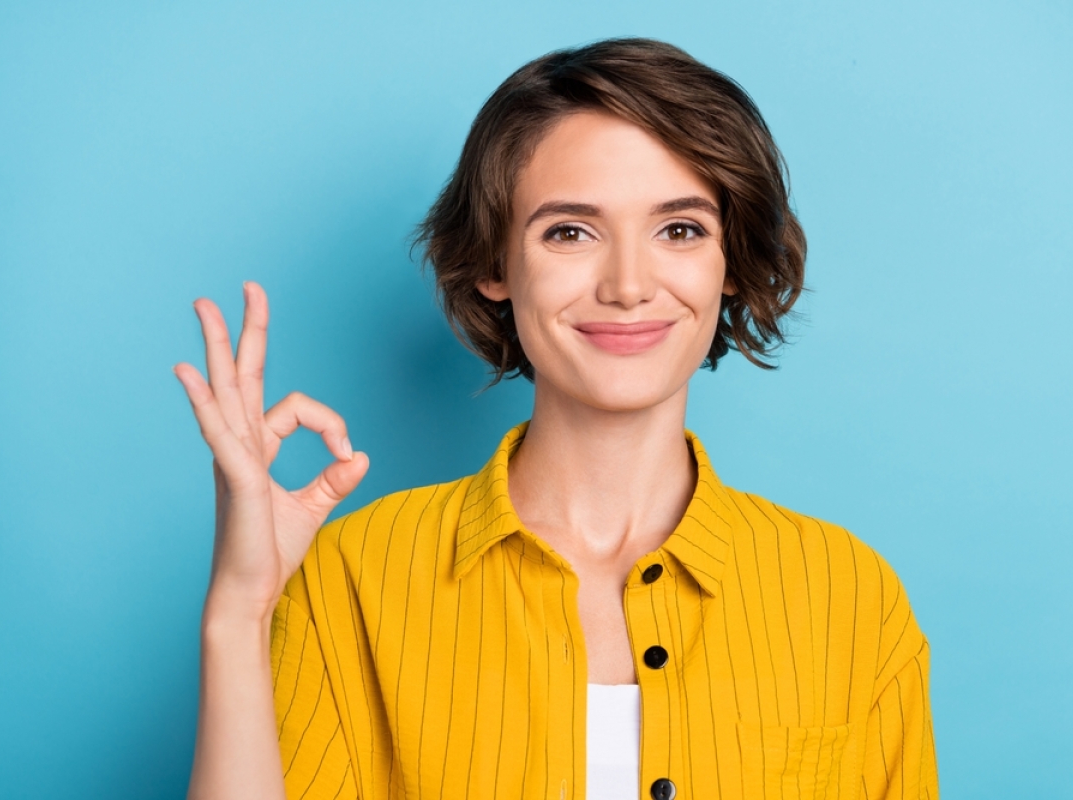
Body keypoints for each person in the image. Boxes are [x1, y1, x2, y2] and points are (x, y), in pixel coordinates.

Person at [176, 38, 938, 800]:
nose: (630, 286)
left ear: (730, 262)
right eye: (570, 231)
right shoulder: (352, 576)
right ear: (495, 265)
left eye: (680, 229)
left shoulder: (851, 597)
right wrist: (240, 614)